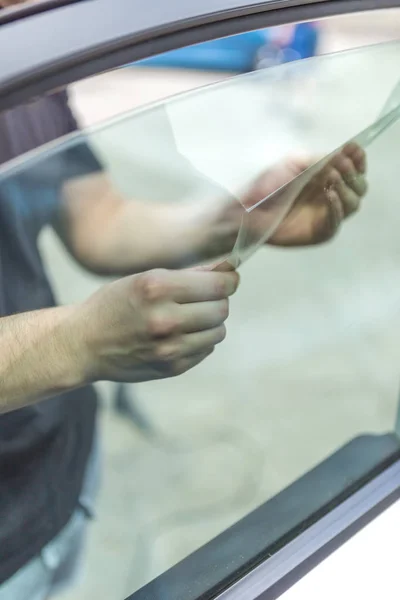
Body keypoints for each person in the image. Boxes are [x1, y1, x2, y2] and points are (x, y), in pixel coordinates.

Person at [0, 3, 367, 598]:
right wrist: (73, 343)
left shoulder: (24, 45)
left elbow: (98, 220)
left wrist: (235, 219)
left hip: (57, 469)